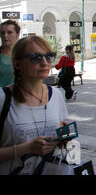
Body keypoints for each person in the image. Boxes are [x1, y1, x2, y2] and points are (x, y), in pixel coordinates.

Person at [0, 36, 68, 175]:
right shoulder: (3, 98)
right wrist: (27, 148)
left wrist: (63, 139)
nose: (44, 63)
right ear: (17, 64)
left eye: (49, 56)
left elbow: (62, 135)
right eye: (35, 57)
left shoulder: (56, 95)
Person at [0, 20, 21, 88]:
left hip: (19, 95)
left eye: (9, 33)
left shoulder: (24, 54)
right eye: (2, 33)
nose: (5, 36)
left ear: (17, 35)